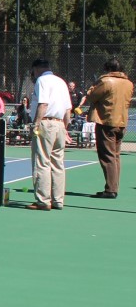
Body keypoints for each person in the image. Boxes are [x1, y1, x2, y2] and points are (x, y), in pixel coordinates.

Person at [78, 58, 133, 199]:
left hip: (106, 121)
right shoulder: (128, 83)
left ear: (108, 69)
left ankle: (110, 190)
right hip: (121, 122)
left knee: (107, 156)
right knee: (115, 156)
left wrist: (92, 87)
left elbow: (91, 96)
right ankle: (113, 187)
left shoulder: (105, 81)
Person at [26, 58, 72, 211]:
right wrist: (65, 129)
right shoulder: (61, 82)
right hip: (59, 124)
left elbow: (43, 103)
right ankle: (58, 200)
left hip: (46, 123)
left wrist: (36, 124)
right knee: (58, 163)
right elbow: (67, 109)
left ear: (36, 69)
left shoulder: (42, 80)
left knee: (42, 162)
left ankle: (43, 200)